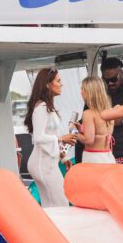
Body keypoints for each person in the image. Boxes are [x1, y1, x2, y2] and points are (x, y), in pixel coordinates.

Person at [25, 68, 77, 207]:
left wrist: (63, 156)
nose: (62, 84)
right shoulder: (41, 107)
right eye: (58, 81)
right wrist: (62, 138)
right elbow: (38, 137)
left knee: (52, 204)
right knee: (61, 203)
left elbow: (49, 136)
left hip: (48, 162)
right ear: (48, 84)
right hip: (42, 164)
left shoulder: (47, 107)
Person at [75, 76, 115, 164]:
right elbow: (100, 132)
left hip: (93, 157)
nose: (81, 92)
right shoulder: (110, 112)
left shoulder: (88, 113)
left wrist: (75, 133)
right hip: (108, 156)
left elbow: (89, 140)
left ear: (89, 92)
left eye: (83, 89)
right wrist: (81, 130)